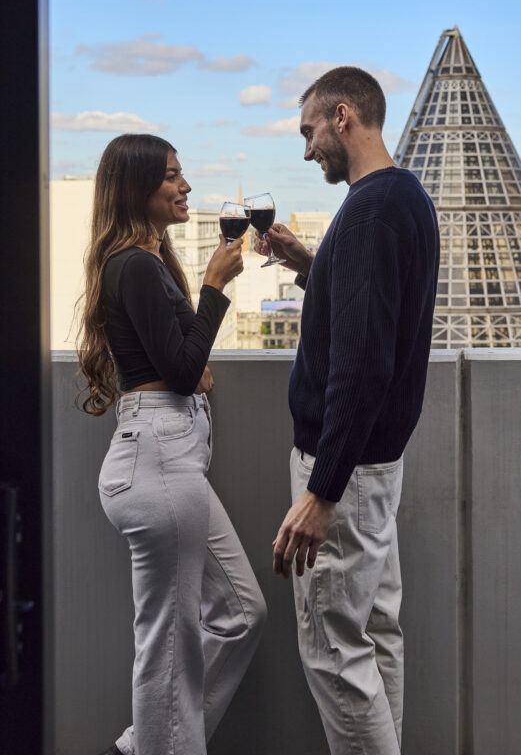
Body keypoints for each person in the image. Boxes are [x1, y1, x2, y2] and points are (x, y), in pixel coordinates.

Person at [256, 67, 439, 755]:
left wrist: (320, 491)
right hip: (378, 465)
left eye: (308, 132)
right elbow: (376, 315)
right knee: (374, 636)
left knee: (334, 652)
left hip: (348, 472)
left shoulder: (365, 210)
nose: (307, 151)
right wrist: (311, 263)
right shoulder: (403, 197)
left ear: (342, 116)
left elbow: (361, 363)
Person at [77, 133, 266, 755]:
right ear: (137, 188)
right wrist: (215, 285)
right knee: (166, 650)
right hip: (157, 459)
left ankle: (145, 743)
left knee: (240, 615)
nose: (185, 186)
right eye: (171, 176)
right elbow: (185, 370)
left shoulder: (147, 263)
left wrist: (194, 340)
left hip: (171, 457)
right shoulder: (132, 265)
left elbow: (184, 359)